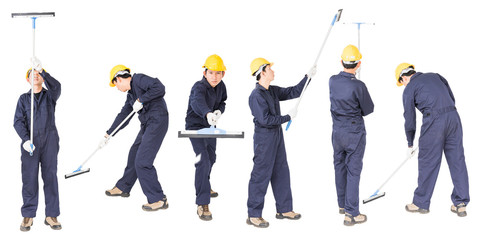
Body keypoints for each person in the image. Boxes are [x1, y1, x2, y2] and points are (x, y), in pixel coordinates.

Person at [246, 57, 315, 228]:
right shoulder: (256, 96)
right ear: (262, 72)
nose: (273, 71)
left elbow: (294, 92)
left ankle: (284, 209)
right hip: (264, 139)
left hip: (276, 136)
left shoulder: (272, 91)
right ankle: (254, 214)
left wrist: (308, 77)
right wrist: (287, 117)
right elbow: (265, 119)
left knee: (281, 171)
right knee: (261, 175)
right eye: (270, 68)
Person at [396, 63, 470, 217]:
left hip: (434, 120)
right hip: (454, 117)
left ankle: (420, 203)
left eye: (401, 83)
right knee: (457, 160)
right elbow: (451, 97)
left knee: (428, 161)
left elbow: (409, 118)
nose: (403, 86)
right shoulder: (435, 75)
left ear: (404, 78)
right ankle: (461, 203)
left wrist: (410, 142)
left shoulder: (409, 88)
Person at [103, 65, 169, 212]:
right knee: (134, 154)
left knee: (143, 161)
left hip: (158, 121)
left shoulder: (139, 79)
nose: (117, 88)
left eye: (116, 85)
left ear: (119, 79)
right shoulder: (131, 95)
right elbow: (123, 117)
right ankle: (123, 187)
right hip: (147, 124)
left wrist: (142, 99)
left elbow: (160, 87)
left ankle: (158, 199)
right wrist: (109, 134)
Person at [14, 57, 62, 231]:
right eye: (31, 73)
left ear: (42, 77)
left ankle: (51, 215)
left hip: (49, 141)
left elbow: (57, 86)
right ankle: (28, 215)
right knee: (29, 180)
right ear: (27, 79)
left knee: (50, 177)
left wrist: (43, 70)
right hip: (30, 144)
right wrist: (25, 140)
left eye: (37, 74)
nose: (35, 75)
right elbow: (18, 122)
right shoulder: (23, 99)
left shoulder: (50, 96)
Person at [329, 45, 374, 226]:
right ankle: (351, 213)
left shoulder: (332, 80)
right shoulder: (359, 86)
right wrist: (356, 83)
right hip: (354, 132)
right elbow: (369, 109)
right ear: (359, 64)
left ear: (341, 61)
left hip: (337, 132)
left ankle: (342, 204)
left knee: (339, 167)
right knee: (353, 171)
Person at [185, 54, 227, 221]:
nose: (214, 77)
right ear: (205, 73)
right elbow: (197, 103)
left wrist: (219, 111)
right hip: (195, 127)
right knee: (202, 160)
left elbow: (223, 101)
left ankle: (205, 184)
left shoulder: (221, 86)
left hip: (210, 126)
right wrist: (207, 112)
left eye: (218, 73)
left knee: (211, 158)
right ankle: (202, 203)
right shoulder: (198, 87)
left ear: (223, 74)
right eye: (211, 73)